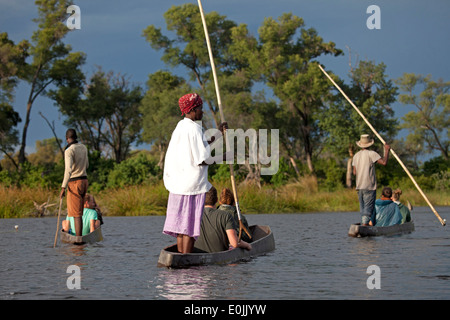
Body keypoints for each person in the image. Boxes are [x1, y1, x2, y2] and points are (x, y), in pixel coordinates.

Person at [162, 93, 230, 253]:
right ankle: (186, 260)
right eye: (200, 108)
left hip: (178, 186)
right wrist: (224, 157)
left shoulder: (181, 127)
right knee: (190, 229)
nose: (202, 112)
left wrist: (218, 135)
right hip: (192, 186)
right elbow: (202, 158)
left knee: (181, 228)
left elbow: (201, 145)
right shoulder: (194, 129)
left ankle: (180, 259)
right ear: (192, 110)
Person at [195, 186, 252, 253]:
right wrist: (247, 245)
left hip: (197, 254)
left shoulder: (193, 215)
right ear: (216, 200)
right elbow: (234, 243)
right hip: (220, 257)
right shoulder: (226, 216)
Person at [352, 134, 390, 226]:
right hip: (369, 186)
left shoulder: (356, 156)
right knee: (368, 209)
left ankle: (365, 224)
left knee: (363, 208)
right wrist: (387, 150)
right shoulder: (371, 154)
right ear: (369, 144)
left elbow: (354, 172)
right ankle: (364, 226)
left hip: (359, 186)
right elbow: (384, 162)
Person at [59, 129, 89, 236]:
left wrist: (63, 187)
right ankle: (80, 238)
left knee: (76, 214)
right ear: (76, 137)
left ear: (67, 139)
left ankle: (78, 240)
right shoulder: (83, 147)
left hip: (74, 182)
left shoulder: (69, 150)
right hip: (84, 180)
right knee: (79, 211)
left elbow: (68, 170)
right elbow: (87, 165)